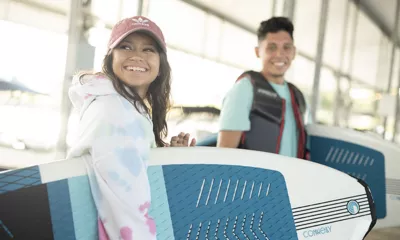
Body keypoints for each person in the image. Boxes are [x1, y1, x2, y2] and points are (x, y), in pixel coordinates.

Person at [66, 16, 194, 240]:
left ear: (160, 65)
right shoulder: (116, 112)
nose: (137, 56)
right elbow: (126, 209)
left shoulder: (125, 107)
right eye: (125, 47)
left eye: (148, 49)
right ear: (110, 59)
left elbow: (126, 172)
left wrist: (166, 157)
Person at [217, 17, 311, 159]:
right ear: (257, 51)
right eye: (271, 47)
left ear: (293, 52)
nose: (279, 54)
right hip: (255, 180)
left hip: (292, 180)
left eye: (286, 47)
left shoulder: (297, 96)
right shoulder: (245, 88)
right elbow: (223, 153)